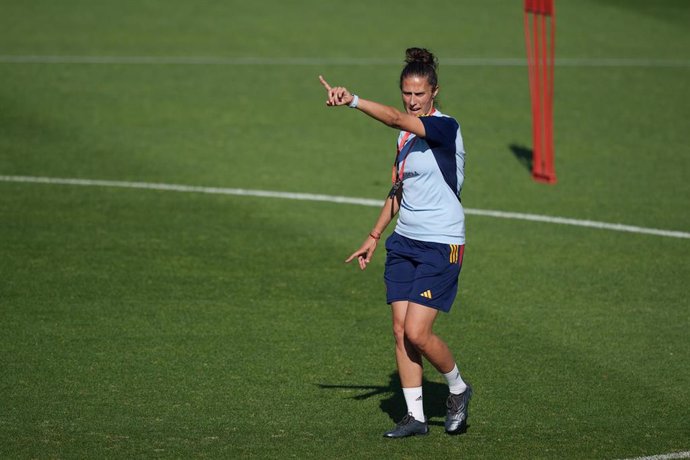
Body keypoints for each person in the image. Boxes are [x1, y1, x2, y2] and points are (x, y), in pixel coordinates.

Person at [318, 47, 472, 438]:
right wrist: (374, 236)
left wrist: (352, 100)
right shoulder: (406, 136)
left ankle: (457, 388)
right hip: (404, 242)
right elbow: (398, 189)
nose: (412, 100)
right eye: (407, 92)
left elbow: (392, 117)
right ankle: (416, 417)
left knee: (419, 333)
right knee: (401, 330)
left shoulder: (444, 127)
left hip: (441, 243)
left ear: (434, 91)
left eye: (419, 93)